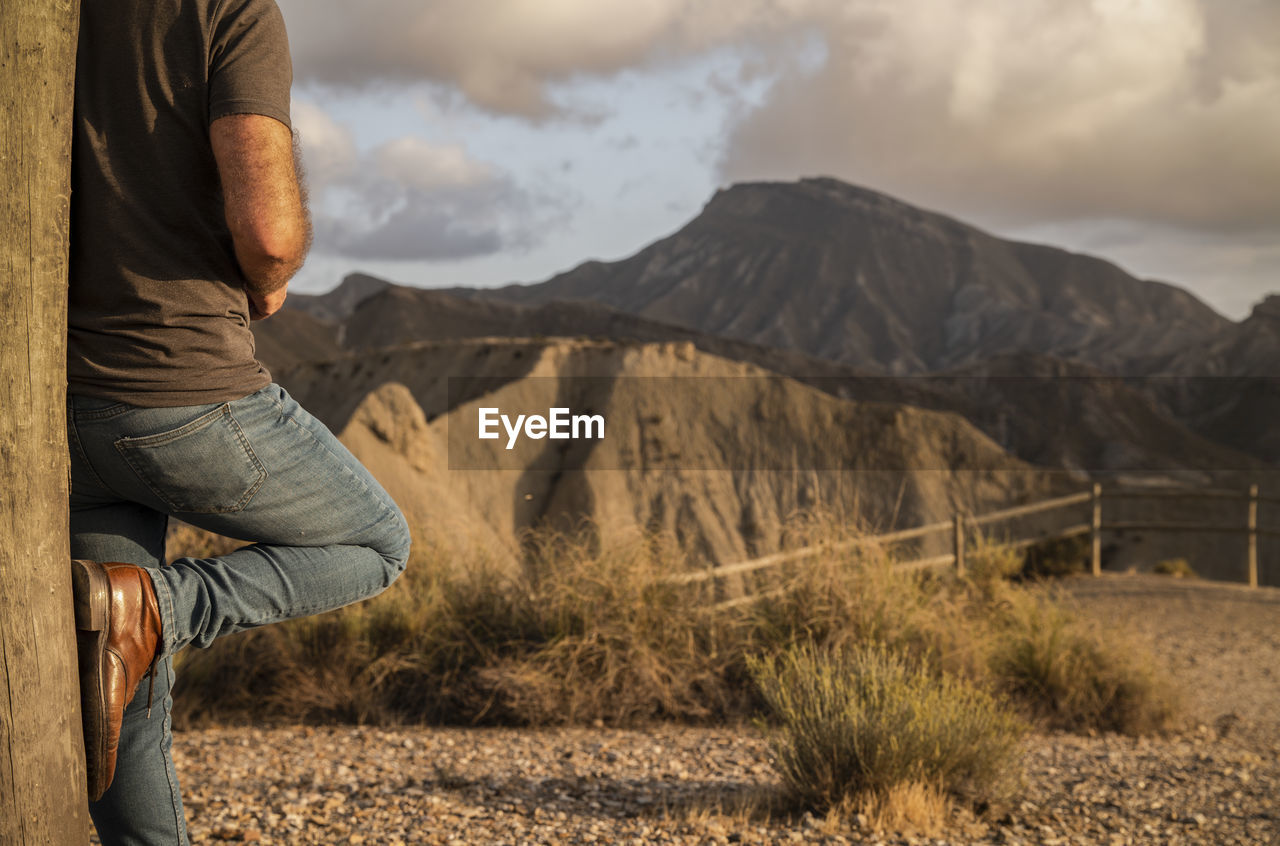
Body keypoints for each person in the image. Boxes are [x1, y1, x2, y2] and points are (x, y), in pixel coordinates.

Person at [66, 1, 411, 842]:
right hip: (179, 387)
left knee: (115, 691)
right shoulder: (228, 9)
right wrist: (276, 267)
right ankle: (164, 607)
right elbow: (267, 230)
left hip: (56, 409)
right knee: (376, 543)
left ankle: (138, 618)